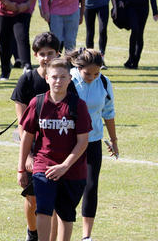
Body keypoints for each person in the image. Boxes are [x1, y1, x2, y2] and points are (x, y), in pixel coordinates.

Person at [17, 57, 91, 241]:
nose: (58, 81)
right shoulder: (37, 103)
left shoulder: (78, 105)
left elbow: (83, 141)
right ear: (47, 78)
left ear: (69, 79)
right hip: (44, 166)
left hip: (72, 170)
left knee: (66, 214)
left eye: (62, 77)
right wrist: (20, 168)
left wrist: (65, 166)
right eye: (54, 77)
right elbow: (26, 137)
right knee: (43, 209)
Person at [10, 31, 61, 241]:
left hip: (57, 149)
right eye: (42, 53)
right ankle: (32, 232)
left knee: (55, 201)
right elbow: (22, 123)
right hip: (32, 148)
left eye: (51, 53)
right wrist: (27, 156)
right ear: (35, 54)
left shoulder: (62, 80)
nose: (47, 58)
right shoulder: (27, 79)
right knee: (32, 197)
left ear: (58, 53)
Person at [65, 48, 118, 241]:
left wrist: (114, 140)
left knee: (91, 185)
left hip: (93, 140)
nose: (92, 77)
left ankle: (86, 237)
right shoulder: (67, 79)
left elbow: (109, 112)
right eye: (88, 73)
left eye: (96, 73)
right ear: (78, 67)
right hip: (68, 141)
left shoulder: (103, 82)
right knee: (67, 185)